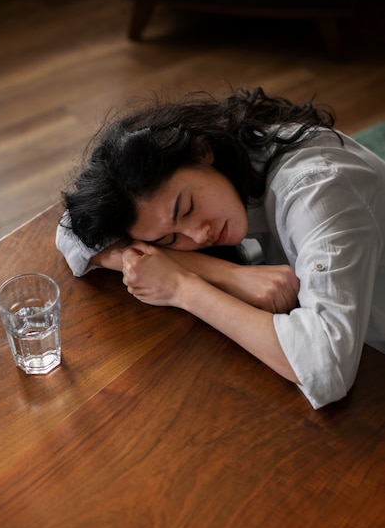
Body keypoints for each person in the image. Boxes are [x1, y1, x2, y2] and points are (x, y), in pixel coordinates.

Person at [56, 86, 385, 409]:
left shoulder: (318, 192)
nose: (198, 237)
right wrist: (226, 274)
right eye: (169, 240)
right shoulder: (229, 157)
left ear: (201, 151)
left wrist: (181, 287)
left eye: (186, 209)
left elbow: (324, 367)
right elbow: (72, 231)